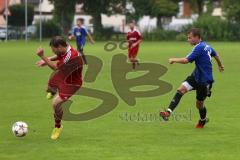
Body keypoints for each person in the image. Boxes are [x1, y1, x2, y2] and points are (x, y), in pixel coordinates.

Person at [160, 28, 224, 128]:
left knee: (199, 105)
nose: (188, 40)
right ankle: (168, 113)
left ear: (197, 37)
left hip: (205, 81)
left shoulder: (198, 48)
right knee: (180, 90)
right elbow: (215, 54)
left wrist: (174, 60)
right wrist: (220, 65)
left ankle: (202, 120)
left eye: (190, 38)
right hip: (195, 77)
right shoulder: (207, 46)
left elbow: (186, 60)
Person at [36, 36, 83, 139]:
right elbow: (58, 56)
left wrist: (43, 57)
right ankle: (52, 90)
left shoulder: (70, 56)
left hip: (72, 83)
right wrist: (47, 60)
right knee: (49, 87)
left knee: (55, 104)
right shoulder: (66, 49)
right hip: (64, 75)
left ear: (60, 46)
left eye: (54, 49)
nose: (54, 52)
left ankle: (58, 127)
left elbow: (54, 67)